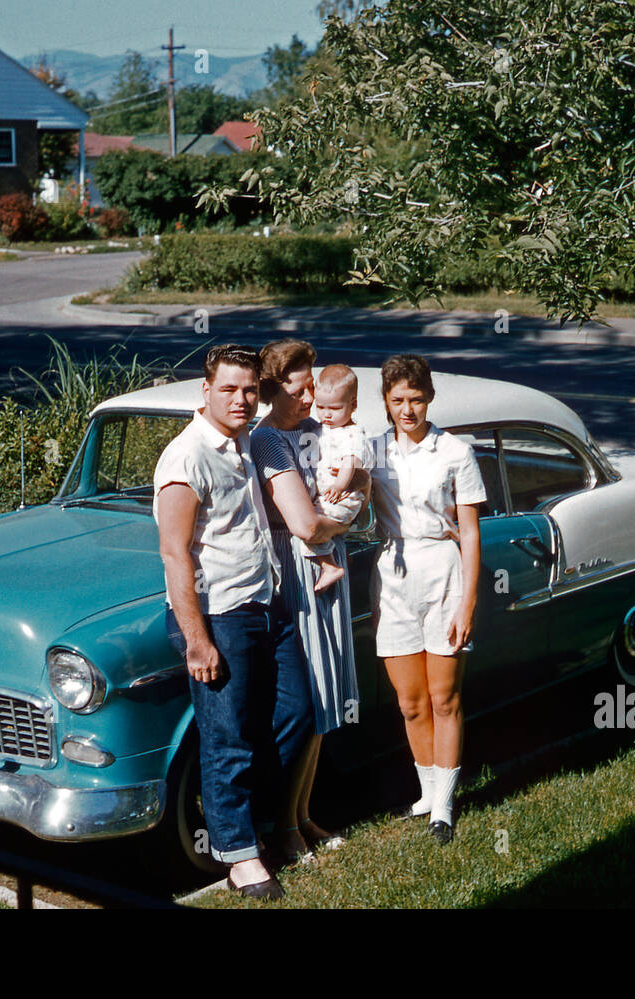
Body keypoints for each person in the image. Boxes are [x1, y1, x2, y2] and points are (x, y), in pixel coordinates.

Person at [153, 343, 313, 900]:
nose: (242, 399)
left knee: (297, 713)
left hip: (267, 605)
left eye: (250, 390)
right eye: (229, 389)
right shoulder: (186, 457)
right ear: (206, 391)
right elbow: (176, 554)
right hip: (217, 616)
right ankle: (239, 857)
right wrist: (196, 639)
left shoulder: (248, 443)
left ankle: (262, 824)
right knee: (228, 740)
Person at [250, 339, 364, 863]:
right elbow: (301, 523)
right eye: (299, 389)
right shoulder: (269, 440)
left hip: (327, 563)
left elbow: (360, 473)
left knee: (325, 696)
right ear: (275, 390)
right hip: (299, 569)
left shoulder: (318, 430)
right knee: (309, 696)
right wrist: (344, 520)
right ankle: (282, 825)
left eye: (312, 384)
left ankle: (302, 814)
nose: (310, 397)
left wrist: (356, 489)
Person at [370, 354, 485, 844]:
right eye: (398, 400)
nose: (408, 409)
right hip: (393, 577)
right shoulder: (372, 451)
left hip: (443, 573)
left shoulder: (455, 452)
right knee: (412, 703)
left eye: (416, 398)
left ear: (430, 397)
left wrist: (469, 603)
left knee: (444, 697)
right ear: (386, 402)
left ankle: (445, 804)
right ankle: (425, 793)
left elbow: (471, 533)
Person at [300, 363, 371, 594]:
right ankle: (339, 555)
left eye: (334, 408)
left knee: (311, 525)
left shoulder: (352, 433)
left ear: (354, 405)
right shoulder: (321, 428)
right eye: (320, 407)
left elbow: (351, 461)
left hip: (343, 498)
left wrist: (340, 485)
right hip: (328, 497)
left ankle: (329, 565)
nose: (326, 414)